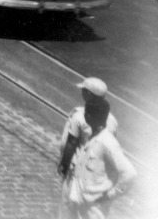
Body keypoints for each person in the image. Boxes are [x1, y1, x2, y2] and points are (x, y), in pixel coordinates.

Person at [58, 83, 135, 218]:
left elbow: (130, 174)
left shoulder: (107, 142)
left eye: (86, 113)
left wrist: (112, 194)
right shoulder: (92, 139)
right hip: (82, 198)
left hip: (95, 205)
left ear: (89, 117)